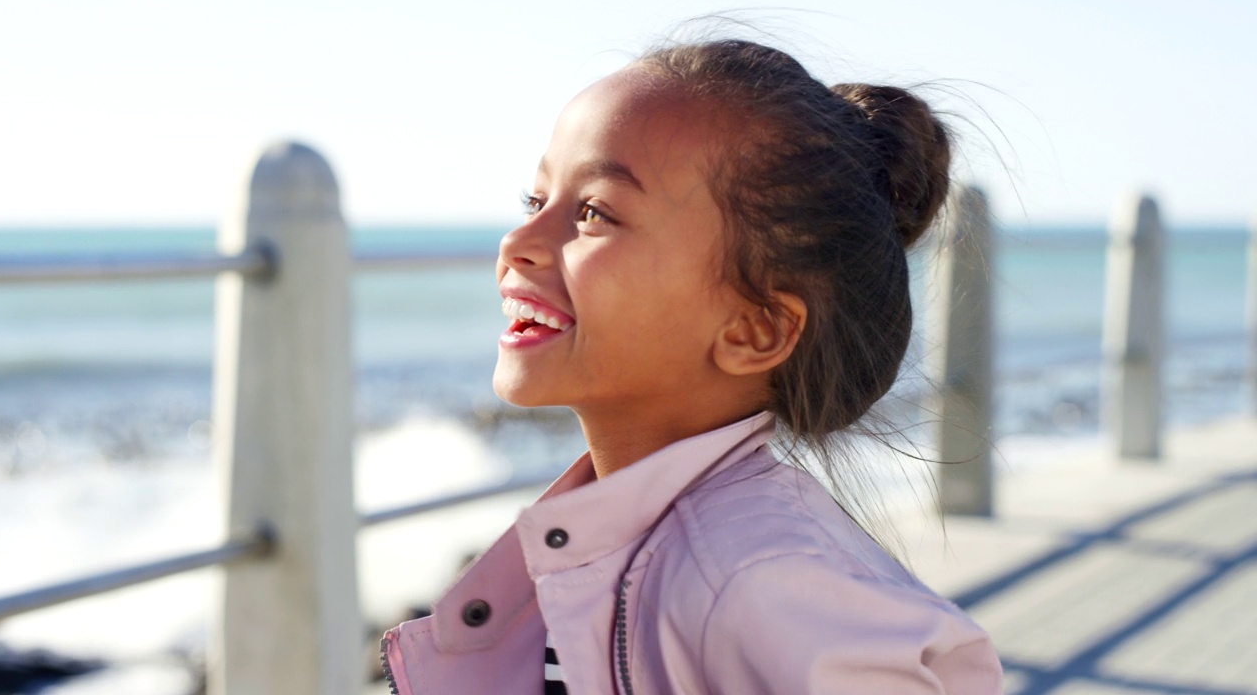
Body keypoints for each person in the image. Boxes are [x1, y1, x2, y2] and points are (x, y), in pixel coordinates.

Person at [381, 38, 1003, 694]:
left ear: (754, 328)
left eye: (594, 212)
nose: (518, 243)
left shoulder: (762, 581)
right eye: (535, 203)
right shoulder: (620, 543)